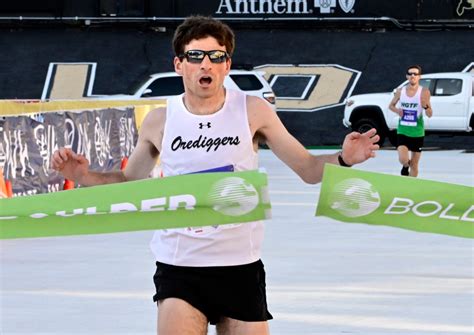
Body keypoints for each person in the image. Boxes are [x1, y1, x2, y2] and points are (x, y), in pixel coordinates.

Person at [52, 15, 379, 335]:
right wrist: (83, 175)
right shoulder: (159, 121)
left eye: (215, 56)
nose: (205, 64)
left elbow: (307, 169)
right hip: (179, 267)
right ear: (179, 64)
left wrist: (343, 158)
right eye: (195, 55)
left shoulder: (253, 111)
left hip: (240, 267)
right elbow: (129, 182)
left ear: (226, 64)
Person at [389, 65, 433, 177]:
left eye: (415, 74)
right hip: (403, 130)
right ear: (407, 76)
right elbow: (391, 106)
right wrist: (398, 111)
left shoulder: (424, 92)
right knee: (403, 159)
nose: (412, 76)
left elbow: (430, 114)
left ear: (419, 77)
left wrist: (426, 107)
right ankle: (405, 166)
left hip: (417, 132)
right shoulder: (400, 91)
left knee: (414, 164)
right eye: (410, 73)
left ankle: (411, 186)